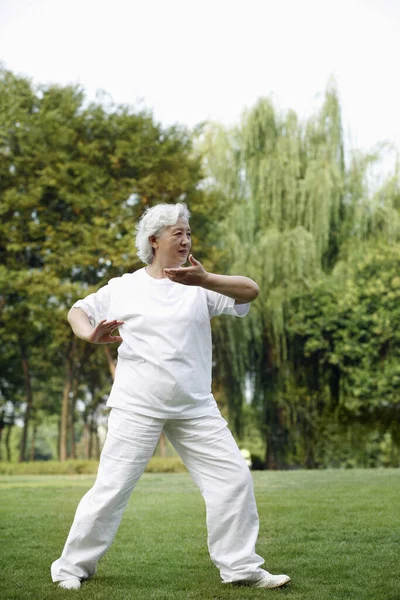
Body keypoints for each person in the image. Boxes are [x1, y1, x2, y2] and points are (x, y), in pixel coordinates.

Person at [50, 203, 290, 591]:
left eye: (188, 233)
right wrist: (89, 334)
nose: (186, 239)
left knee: (233, 480)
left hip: (195, 407)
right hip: (137, 406)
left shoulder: (199, 286)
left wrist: (206, 278)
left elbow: (252, 290)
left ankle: (241, 567)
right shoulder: (125, 287)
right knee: (110, 490)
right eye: (178, 232)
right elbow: (79, 311)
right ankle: (70, 569)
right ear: (154, 240)